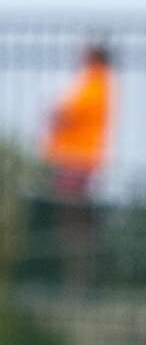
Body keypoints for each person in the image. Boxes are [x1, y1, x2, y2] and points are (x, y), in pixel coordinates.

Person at [40, 43, 114, 284]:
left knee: (73, 220)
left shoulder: (95, 84)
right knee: (73, 218)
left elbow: (65, 114)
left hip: (77, 159)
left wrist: (54, 114)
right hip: (76, 158)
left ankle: (77, 276)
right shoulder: (95, 83)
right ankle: (76, 274)